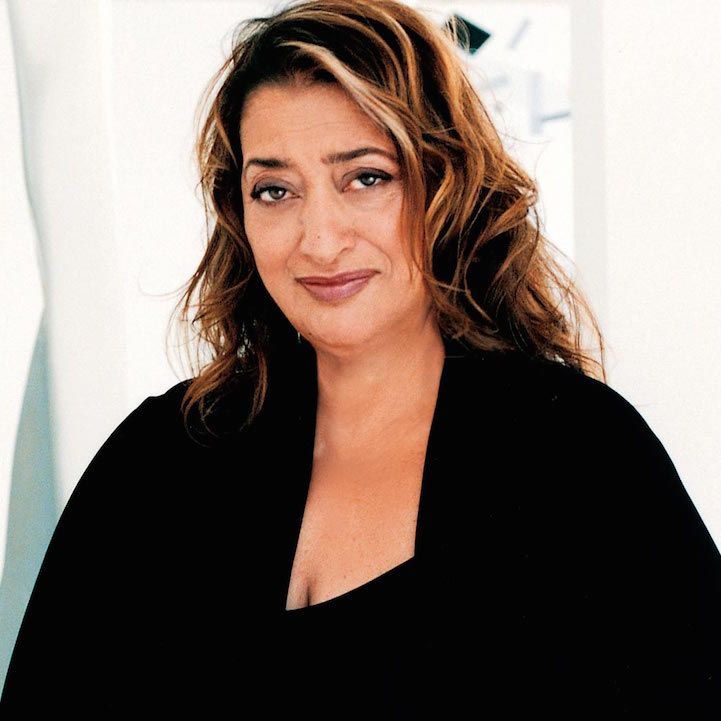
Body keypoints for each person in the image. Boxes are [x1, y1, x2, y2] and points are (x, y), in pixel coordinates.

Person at [2, 0, 720, 716]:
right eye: (275, 190)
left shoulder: (581, 456)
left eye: (365, 177)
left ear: (445, 183)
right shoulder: (158, 459)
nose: (318, 238)